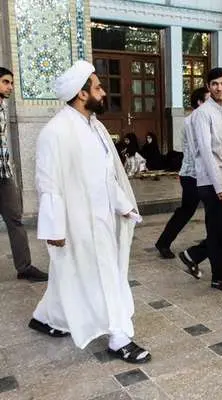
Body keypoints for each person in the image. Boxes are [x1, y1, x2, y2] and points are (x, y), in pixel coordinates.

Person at [30, 60, 150, 363]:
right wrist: (54, 228)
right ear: (82, 94)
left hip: (101, 219)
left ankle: (46, 317)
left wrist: (123, 206)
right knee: (102, 275)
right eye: (98, 87)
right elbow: (48, 183)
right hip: (77, 224)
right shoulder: (55, 132)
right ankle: (119, 337)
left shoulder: (96, 127)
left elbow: (106, 176)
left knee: (70, 272)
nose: (103, 92)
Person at [155, 88, 222, 259]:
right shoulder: (192, 121)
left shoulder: (215, 116)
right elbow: (202, 150)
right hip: (193, 175)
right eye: (209, 99)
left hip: (211, 174)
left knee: (221, 213)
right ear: (200, 103)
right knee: (187, 210)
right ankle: (164, 243)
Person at [178, 68, 222, 291]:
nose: (219, 88)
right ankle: (219, 277)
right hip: (210, 182)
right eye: (214, 84)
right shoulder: (203, 113)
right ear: (208, 86)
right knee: (216, 232)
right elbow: (206, 152)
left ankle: (194, 254)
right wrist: (219, 186)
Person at [0, 67, 47, 282]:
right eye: (5, 82)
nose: (10, 87)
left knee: (15, 219)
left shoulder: (2, 106)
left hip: (4, 174)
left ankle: (24, 267)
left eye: (11, 83)